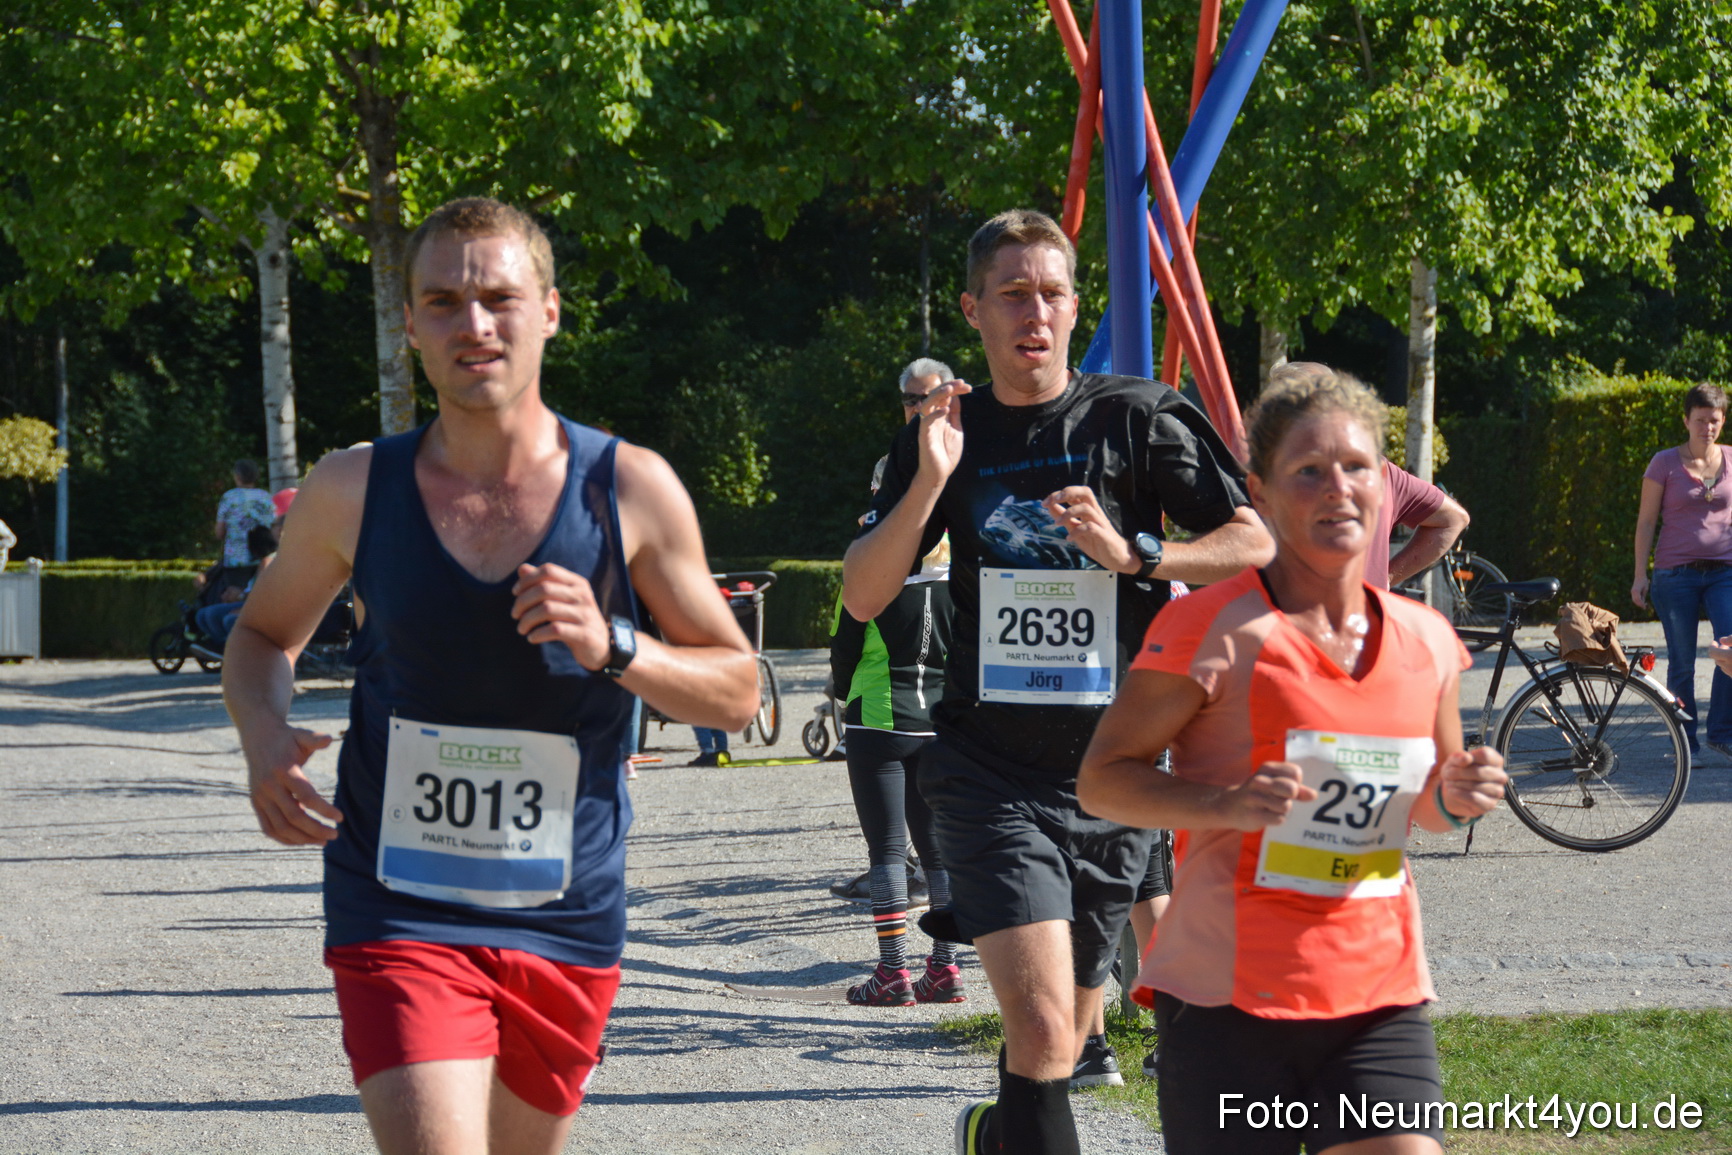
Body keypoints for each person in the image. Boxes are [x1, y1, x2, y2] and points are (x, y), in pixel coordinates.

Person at [222, 197, 758, 1155]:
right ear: (411, 327)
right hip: (397, 899)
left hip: (566, 906)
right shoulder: (354, 487)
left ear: (548, 311)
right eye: (443, 301)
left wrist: (615, 645)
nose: (474, 324)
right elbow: (262, 635)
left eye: (500, 299)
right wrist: (265, 738)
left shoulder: (628, 488)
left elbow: (739, 686)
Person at [843, 209, 1273, 1155]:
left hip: (1115, 772)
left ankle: (997, 1135)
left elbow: (1255, 541)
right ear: (974, 311)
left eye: (1050, 292)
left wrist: (1139, 553)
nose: (1033, 311)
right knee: (1040, 1029)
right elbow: (865, 592)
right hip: (987, 768)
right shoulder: (945, 432)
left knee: (1068, 1038)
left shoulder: (1137, 414)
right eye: (1011, 294)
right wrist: (927, 480)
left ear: (1076, 304)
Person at [1076, 364, 1507, 1155]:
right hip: (1227, 997)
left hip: (1377, 988)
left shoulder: (1427, 643)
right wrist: (1227, 805)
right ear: (1262, 493)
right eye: (1308, 471)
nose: (1338, 488)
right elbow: (1102, 780)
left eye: (1357, 467)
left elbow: (1425, 811)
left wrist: (1458, 795)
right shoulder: (1211, 628)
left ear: (1386, 487)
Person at [832, 357, 963, 1007]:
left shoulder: (873, 557)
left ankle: (892, 971)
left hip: (879, 714)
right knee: (937, 849)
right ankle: (944, 967)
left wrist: (839, 695)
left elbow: (846, 638)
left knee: (887, 852)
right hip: (940, 716)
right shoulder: (956, 562)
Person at [1632, 381, 1732, 762]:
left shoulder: (1731, 459)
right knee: (1683, 661)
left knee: (1730, 648)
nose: (1708, 427)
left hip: (1724, 571)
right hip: (1675, 575)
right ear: (1686, 420)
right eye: (1701, 420)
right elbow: (1645, 522)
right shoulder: (1664, 463)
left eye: (1715, 420)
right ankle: (1684, 739)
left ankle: (1722, 732)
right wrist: (1641, 574)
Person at [214, 459, 276, 589]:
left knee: (234, 600)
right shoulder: (266, 497)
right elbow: (274, 526)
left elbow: (220, 532)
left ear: (237, 476)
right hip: (262, 558)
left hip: (236, 559)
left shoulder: (229, 498)